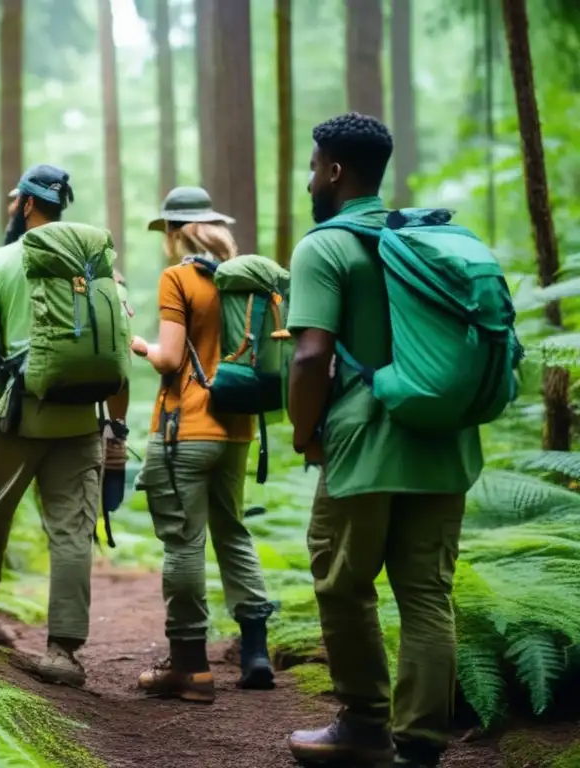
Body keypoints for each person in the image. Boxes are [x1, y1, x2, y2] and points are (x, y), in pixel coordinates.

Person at [285, 113, 483, 768]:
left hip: (366, 443)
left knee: (343, 581)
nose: (311, 178)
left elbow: (310, 357)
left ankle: (364, 724)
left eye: (314, 166)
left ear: (335, 171)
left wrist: (302, 430)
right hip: (445, 441)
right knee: (427, 593)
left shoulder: (325, 246)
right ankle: (421, 745)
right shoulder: (426, 240)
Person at [0, 164, 111, 688]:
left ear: (26, 204)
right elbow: (109, 346)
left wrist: (7, 365)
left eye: (11, 200)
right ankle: (63, 652)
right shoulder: (93, 265)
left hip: (15, 417)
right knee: (71, 532)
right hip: (81, 417)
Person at [129, 186, 275, 704]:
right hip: (237, 429)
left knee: (185, 542)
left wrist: (141, 344)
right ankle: (256, 651)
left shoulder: (179, 277)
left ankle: (190, 668)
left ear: (175, 231)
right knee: (233, 532)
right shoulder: (250, 282)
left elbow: (170, 359)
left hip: (185, 428)